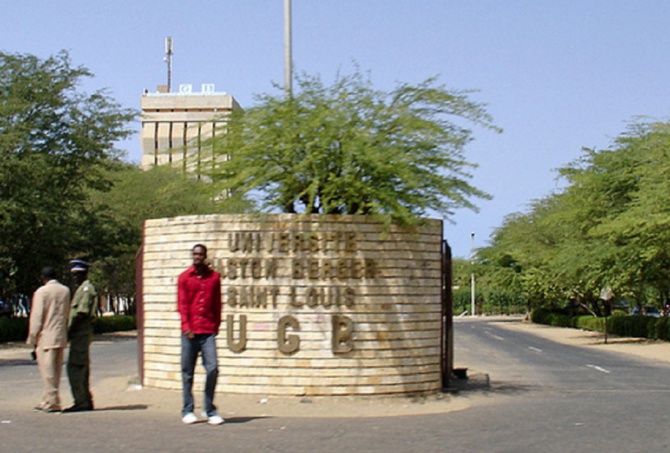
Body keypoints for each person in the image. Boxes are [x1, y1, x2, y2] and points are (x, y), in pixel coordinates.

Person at [177, 244, 224, 425]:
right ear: (192, 256)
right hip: (190, 331)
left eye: (200, 254)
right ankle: (188, 409)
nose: (197, 257)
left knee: (212, 368)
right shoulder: (184, 278)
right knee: (187, 372)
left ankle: (209, 409)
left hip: (207, 330)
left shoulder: (214, 278)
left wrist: (216, 325)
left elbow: (217, 303)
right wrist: (186, 326)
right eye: (195, 254)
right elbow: (182, 305)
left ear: (205, 256)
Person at [26, 266, 71, 412]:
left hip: (46, 336)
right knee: (56, 370)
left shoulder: (42, 292)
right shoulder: (65, 291)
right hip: (60, 334)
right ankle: (47, 399)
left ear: (43, 278)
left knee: (47, 371)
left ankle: (53, 401)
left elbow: (37, 317)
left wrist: (32, 337)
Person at [64, 259, 97, 412]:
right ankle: (85, 400)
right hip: (80, 334)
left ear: (84, 273)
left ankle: (81, 401)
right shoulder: (82, 289)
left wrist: (69, 332)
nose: (75, 277)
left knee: (76, 368)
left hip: (80, 333)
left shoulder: (85, 290)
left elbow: (80, 314)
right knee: (81, 367)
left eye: (78, 274)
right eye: (74, 275)